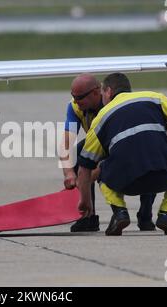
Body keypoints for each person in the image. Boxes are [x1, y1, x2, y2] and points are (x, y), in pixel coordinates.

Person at [76, 73, 167, 236]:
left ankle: (119, 212)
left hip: (126, 182)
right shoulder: (155, 98)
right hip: (163, 177)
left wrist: (85, 202)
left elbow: (85, 167)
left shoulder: (101, 118)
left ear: (108, 91)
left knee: (103, 169)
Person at [60, 73, 156, 232]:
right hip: (99, 144)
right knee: (79, 155)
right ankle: (87, 216)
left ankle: (145, 214)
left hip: (126, 144)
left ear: (96, 92)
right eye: (73, 96)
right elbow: (66, 143)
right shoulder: (75, 107)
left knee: (146, 158)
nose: (76, 102)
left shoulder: (117, 105)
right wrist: (69, 173)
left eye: (80, 97)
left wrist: (86, 178)